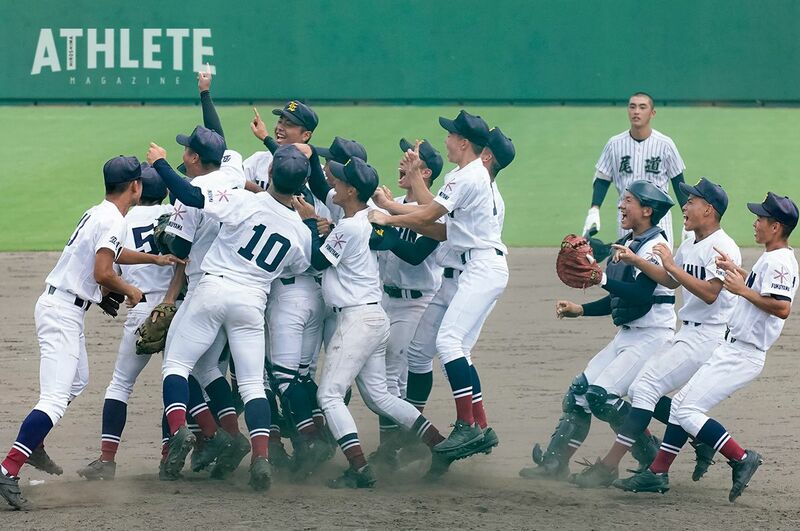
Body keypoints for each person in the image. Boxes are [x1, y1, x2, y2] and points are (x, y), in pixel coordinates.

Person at [0, 157, 181, 509]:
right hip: (62, 313)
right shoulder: (112, 219)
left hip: (62, 308)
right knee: (53, 400)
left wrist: (153, 260)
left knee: (77, 380)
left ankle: (33, 442)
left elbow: (112, 253)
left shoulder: (100, 212)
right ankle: (8, 469)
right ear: (135, 186)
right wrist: (130, 290)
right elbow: (102, 271)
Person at [615, 192, 798, 502]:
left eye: (761, 219)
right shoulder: (771, 256)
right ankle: (658, 473)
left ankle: (741, 457)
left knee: (687, 410)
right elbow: (758, 289)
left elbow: (781, 308)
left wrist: (741, 289)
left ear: (776, 227)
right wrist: (739, 274)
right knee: (682, 405)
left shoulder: (781, 261)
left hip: (744, 353)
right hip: (731, 347)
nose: (755, 223)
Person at [294, 156, 460, 488]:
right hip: (374, 316)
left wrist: (311, 221)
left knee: (329, 395)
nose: (335, 184)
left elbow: (317, 260)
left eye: (339, 181)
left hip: (357, 320)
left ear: (351, 189)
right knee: (379, 397)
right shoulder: (368, 223)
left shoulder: (351, 225)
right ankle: (439, 445)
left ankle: (358, 468)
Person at [570, 177, 740, 488]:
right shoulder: (690, 243)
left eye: (691, 202)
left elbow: (710, 293)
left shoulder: (723, 246)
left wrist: (673, 267)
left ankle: (616, 466)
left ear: (709, 210)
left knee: (645, 388)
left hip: (708, 336)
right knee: (640, 391)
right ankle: (696, 440)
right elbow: (671, 281)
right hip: (687, 332)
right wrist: (637, 260)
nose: (685, 206)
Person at [368, 110, 507, 458]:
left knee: (449, 342)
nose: (445, 139)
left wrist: (387, 215)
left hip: (479, 268)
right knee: (420, 351)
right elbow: (439, 223)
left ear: (463, 142)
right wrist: (398, 198)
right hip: (464, 269)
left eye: (450, 135)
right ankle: (477, 424)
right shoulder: (472, 177)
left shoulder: (467, 177)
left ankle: (467, 426)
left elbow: (429, 216)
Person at [520, 181, 675, 481]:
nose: (620, 205)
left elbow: (642, 295)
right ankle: (555, 463)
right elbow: (621, 297)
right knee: (580, 393)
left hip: (652, 337)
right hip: (628, 336)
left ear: (647, 210)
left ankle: (649, 454)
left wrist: (602, 278)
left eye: (627, 200)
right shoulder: (629, 243)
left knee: (602, 397)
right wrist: (583, 310)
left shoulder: (656, 248)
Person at [77, 165, 183, 480]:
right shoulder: (175, 213)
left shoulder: (122, 221)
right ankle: (169, 454)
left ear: (138, 191)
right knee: (178, 377)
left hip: (141, 309)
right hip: (178, 309)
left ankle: (107, 460)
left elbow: (109, 276)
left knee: (121, 384)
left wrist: (109, 293)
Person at [582, 92, 688, 244]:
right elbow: (602, 179)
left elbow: (679, 183)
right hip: (627, 216)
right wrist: (594, 209)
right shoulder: (614, 144)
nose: (636, 111)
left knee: (658, 264)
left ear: (652, 113)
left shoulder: (665, 144)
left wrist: (687, 218)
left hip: (659, 217)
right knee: (626, 264)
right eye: (632, 107)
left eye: (642, 107)